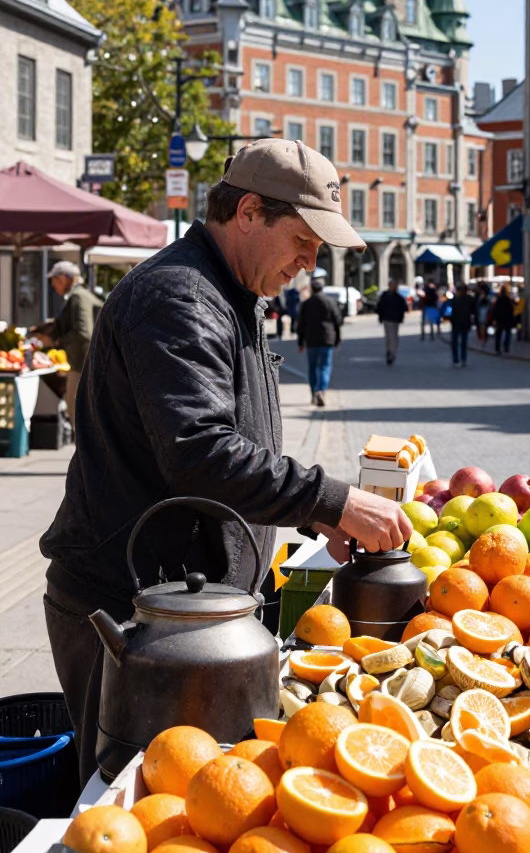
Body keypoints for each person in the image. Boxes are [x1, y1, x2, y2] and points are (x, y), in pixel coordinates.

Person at [39, 140, 411, 784]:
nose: (310, 261)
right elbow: (202, 452)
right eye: (303, 239)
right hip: (135, 612)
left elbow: (238, 443)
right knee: (137, 805)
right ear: (246, 213)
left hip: (188, 610)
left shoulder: (231, 292)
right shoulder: (179, 297)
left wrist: (308, 515)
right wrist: (332, 499)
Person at [31, 261, 103, 431]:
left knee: (78, 414)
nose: (53, 286)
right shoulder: (82, 295)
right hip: (87, 365)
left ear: (63, 279)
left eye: (53, 281)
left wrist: (58, 341)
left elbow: (84, 333)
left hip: (82, 366)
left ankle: (86, 456)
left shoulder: (78, 297)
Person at [296, 276, 342, 406]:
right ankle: (321, 391)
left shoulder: (306, 304)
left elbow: (301, 325)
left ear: (311, 289)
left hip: (311, 340)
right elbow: (337, 321)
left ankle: (314, 393)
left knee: (312, 367)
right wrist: (338, 339)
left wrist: (300, 342)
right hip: (327, 339)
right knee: (325, 367)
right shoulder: (330, 301)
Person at [376, 278, 408, 365]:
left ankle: (391, 352)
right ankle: (390, 352)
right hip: (388, 319)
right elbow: (380, 307)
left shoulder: (398, 297)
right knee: (390, 336)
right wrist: (380, 316)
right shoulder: (386, 296)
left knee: (392, 336)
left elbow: (404, 308)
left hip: (394, 320)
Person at [449, 281, 476, 368]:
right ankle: (461, 359)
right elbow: (474, 312)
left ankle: (457, 359)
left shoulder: (455, 299)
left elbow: (450, 312)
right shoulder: (468, 299)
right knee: (462, 342)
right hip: (463, 323)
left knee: (456, 342)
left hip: (458, 323)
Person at [489, 285, 515, 355]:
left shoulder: (499, 300)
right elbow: (511, 310)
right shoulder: (508, 300)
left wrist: (494, 319)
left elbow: (495, 310)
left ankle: (497, 348)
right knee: (507, 334)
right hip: (506, 320)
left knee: (499, 334)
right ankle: (506, 347)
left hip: (500, 320)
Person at [475, 283, 491, 349]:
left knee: (483, 326)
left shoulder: (486, 298)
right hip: (482, 314)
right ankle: (483, 337)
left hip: (484, 314)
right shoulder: (480, 297)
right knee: (482, 326)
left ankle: (483, 338)